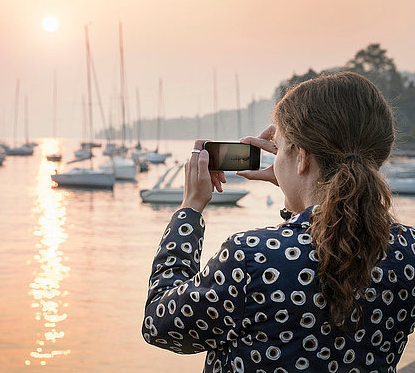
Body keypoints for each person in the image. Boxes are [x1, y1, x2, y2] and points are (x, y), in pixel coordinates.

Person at [142, 71, 415, 373]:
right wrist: (295, 195)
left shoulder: (250, 257)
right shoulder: (409, 252)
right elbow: (318, 236)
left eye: (280, 147)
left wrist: (189, 210)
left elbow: (159, 323)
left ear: (302, 157)